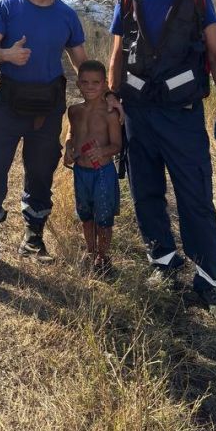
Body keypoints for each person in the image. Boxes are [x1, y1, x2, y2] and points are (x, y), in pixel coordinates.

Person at [108, 0, 216, 321]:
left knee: (194, 195)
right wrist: (113, 97)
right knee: (145, 191)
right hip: (138, 113)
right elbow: (116, 54)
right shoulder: (128, 3)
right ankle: (162, 260)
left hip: (181, 115)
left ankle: (208, 281)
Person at [0, 0, 92, 275]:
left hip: (47, 107)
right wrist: (7, 55)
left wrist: (101, 96)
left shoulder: (66, 15)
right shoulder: (7, 8)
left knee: (40, 172)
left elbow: (81, 62)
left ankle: (33, 238)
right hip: (9, 102)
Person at [63, 60, 122, 272]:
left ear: (104, 84)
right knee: (85, 214)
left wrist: (103, 151)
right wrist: (69, 146)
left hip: (103, 173)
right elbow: (71, 133)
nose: (90, 86)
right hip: (81, 172)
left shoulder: (109, 114)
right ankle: (90, 252)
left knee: (104, 217)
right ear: (78, 83)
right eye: (85, 82)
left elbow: (117, 145)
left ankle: (103, 257)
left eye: (95, 82)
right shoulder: (74, 110)